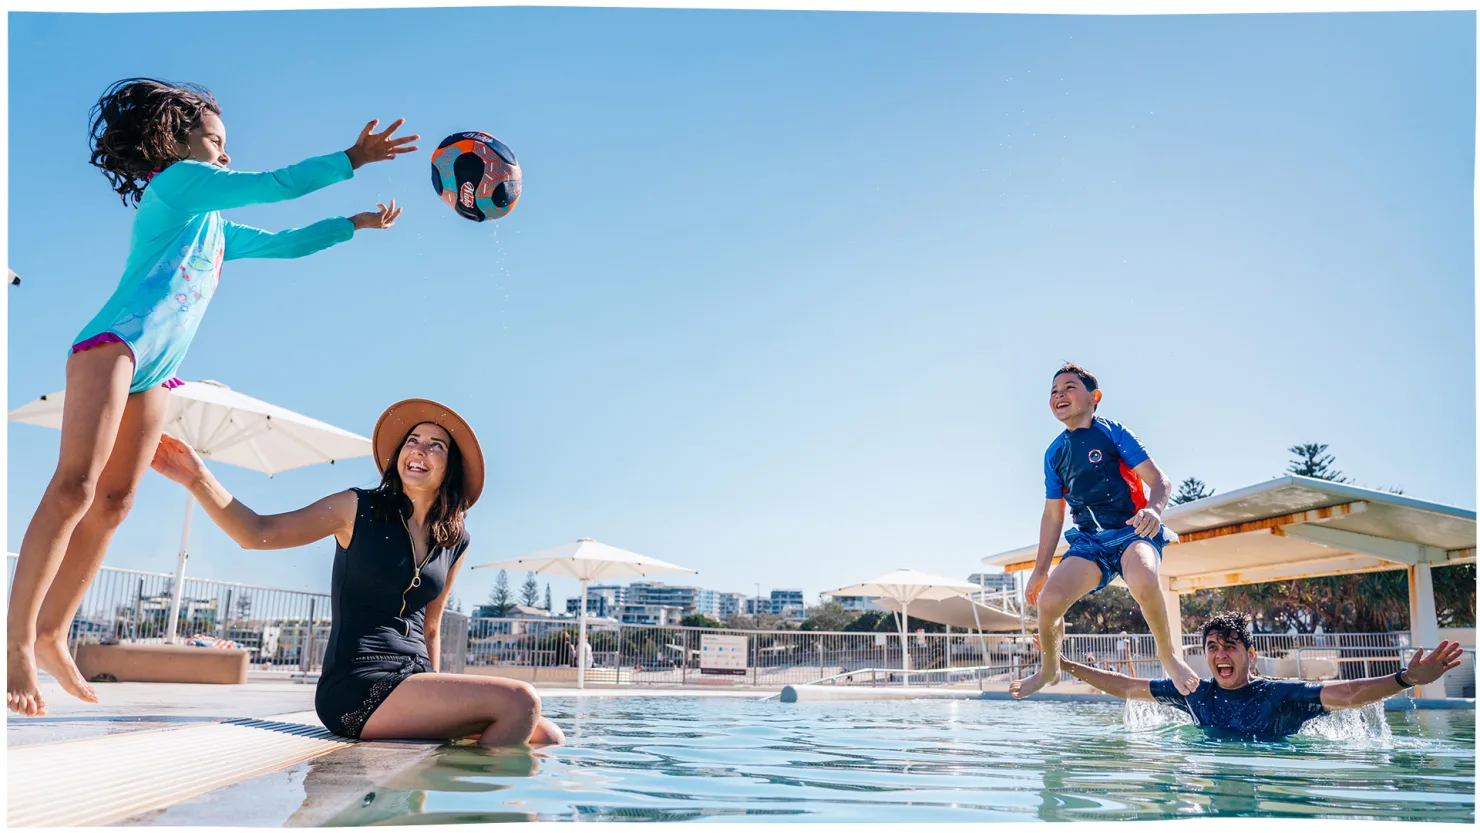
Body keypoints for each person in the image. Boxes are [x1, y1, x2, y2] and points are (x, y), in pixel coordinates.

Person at [7, 77, 417, 717]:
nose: (225, 153)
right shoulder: (176, 186)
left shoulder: (214, 226)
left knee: (115, 504)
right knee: (76, 489)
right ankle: (16, 644)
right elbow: (275, 184)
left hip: (159, 371)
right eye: (216, 140)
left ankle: (55, 633)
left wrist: (350, 226)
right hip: (113, 346)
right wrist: (351, 161)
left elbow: (285, 243)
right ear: (178, 140)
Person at [149, 398, 563, 747]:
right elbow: (258, 532)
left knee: (548, 736)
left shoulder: (454, 539)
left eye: (435, 445)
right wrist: (198, 479)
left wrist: (440, 703)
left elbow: (430, 627)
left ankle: (437, 795)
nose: (419, 450)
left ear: (449, 467)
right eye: (412, 441)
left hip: (413, 680)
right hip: (357, 684)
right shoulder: (356, 508)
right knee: (519, 702)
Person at [1011, 364, 1198, 700]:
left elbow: (1160, 481)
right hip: (1089, 544)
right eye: (1053, 391)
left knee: (1143, 578)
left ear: (1094, 397)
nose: (1059, 395)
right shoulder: (1054, 454)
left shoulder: (1113, 432)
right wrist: (1040, 570)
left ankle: (1169, 657)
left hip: (1132, 531)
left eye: (1069, 387)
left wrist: (1153, 510)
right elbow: (1054, 515)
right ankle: (1049, 670)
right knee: (1049, 601)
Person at [1056, 611, 1465, 741]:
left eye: (1229, 646)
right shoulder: (1195, 694)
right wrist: (1065, 664)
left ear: (1250, 654)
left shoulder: (1280, 695)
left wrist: (1407, 679)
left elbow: (1350, 692)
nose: (1220, 655)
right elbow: (1128, 687)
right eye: (1212, 648)